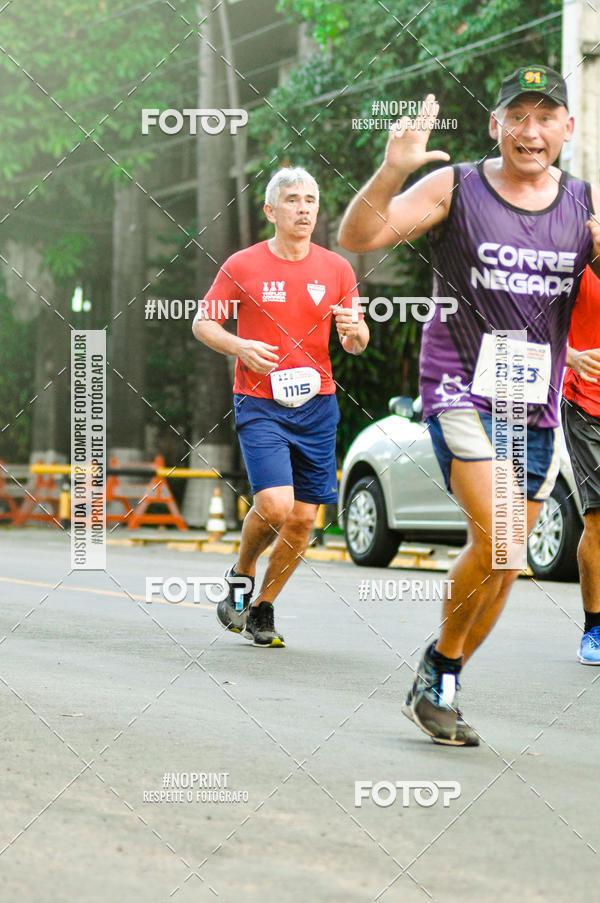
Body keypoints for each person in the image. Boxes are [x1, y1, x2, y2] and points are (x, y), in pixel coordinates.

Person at [338, 65, 600, 746]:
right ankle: (440, 671)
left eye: (546, 117)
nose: (531, 130)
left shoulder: (584, 204)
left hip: (534, 404)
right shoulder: (455, 185)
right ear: (496, 125)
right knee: (509, 534)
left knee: (505, 556)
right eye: (518, 115)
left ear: (568, 129)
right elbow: (360, 237)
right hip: (459, 385)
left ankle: (441, 670)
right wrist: (392, 170)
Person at [193, 167, 369, 647]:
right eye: (293, 200)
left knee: (303, 518)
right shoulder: (243, 265)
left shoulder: (337, 268)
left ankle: (263, 608)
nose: (304, 208)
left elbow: (356, 339)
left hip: (318, 403)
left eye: (311, 199)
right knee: (274, 504)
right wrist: (239, 346)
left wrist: (355, 334)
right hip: (260, 400)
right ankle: (242, 571)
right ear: (271, 210)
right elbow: (202, 323)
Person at [562, 265, 600, 664]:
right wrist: (570, 356)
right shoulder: (575, 270)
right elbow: (534, 321)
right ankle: (594, 628)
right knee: (598, 517)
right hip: (586, 406)